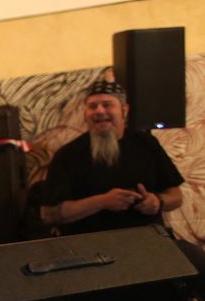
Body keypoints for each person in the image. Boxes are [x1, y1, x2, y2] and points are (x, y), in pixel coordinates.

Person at [40, 80, 184, 235]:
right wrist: (102, 202)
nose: (99, 111)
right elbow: (49, 215)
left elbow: (176, 196)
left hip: (147, 239)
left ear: (124, 110)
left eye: (107, 105)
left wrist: (158, 201)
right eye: (92, 106)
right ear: (85, 114)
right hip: (91, 244)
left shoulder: (147, 143)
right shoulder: (68, 155)